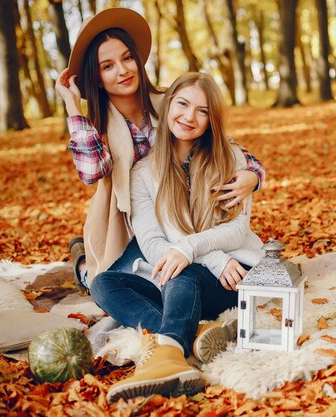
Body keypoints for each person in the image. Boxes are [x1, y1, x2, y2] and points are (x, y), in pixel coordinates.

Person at [54, 8, 265, 292]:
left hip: (178, 215)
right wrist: (71, 105)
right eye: (108, 66)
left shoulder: (172, 102)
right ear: (97, 78)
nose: (123, 70)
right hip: (129, 223)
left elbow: (224, 146)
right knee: (102, 283)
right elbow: (92, 172)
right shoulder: (98, 129)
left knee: (177, 271)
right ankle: (81, 261)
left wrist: (253, 175)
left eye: (127, 58)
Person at [89, 72, 264, 402]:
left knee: (183, 277)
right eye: (183, 104)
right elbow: (152, 242)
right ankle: (193, 335)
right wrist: (193, 253)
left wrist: (192, 250)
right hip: (184, 276)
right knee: (103, 284)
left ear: (212, 119)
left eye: (202, 111)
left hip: (232, 273)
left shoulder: (232, 159)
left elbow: (237, 229)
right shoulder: (143, 174)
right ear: (168, 106)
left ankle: (167, 358)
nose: (189, 117)